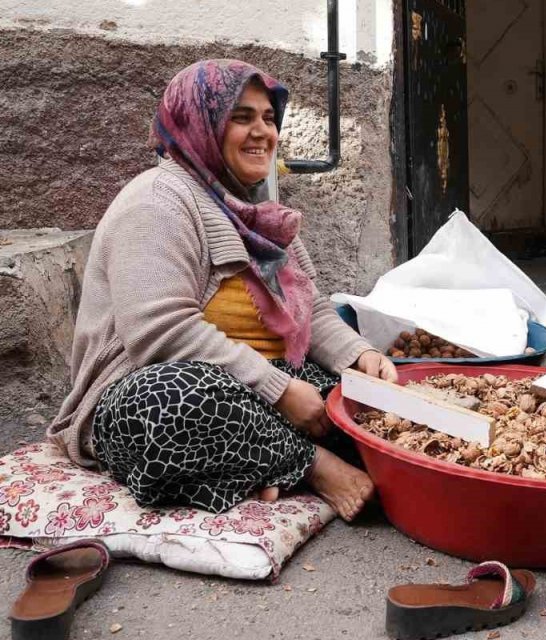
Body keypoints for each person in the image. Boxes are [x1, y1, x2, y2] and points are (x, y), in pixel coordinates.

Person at [47, 59, 397, 521]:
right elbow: (160, 333)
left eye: (269, 118)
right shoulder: (156, 203)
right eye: (241, 117)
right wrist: (279, 391)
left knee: (372, 407)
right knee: (171, 404)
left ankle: (248, 468)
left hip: (256, 386)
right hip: (148, 390)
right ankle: (309, 466)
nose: (262, 132)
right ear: (200, 125)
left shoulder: (260, 213)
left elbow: (309, 309)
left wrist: (357, 355)